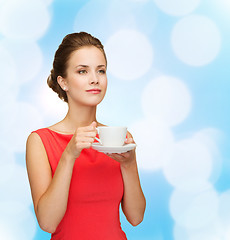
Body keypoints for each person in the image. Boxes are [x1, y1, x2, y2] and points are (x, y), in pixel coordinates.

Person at [26, 32, 146, 240]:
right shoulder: (40, 141)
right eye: (82, 71)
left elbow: (136, 217)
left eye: (101, 71)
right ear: (63, 82)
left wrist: (129, 164)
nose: (94, 79)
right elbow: (47, 222)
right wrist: (69, 155)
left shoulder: (119, 139)